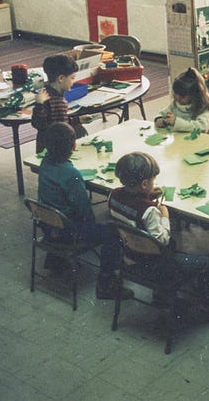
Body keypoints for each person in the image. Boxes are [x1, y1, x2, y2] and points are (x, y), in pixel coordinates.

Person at [108, 152, 209, 306]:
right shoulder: (149, 211)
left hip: (128, 255)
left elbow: (131, 209)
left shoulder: (113, 195)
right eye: (152, 180)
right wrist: (164, 214)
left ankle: (165, 293)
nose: (154, 182)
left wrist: (146, 196)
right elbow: (162, 240)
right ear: (144, 184)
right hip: (156, 265)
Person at [37, 122, 132, 300]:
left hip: (47, 225)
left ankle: (55, 260)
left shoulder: (45, 163)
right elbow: (84, 210)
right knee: (114, 232)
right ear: (74, 146)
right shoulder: (71, 175)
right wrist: (93, 227)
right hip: (67, 231)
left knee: (62, 213)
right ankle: (106, 283)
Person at [32, 54, 86, 153]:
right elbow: (38, 123)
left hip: (56, 144)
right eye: (72, 78)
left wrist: (78, 120)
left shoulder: (57, 94)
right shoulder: (49, 98)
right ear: (61, 78)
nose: (73, 82)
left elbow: (60, 121)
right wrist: (39, 104)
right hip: (52, 148)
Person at [154, 68, 209, 134]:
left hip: (203, 140)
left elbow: (202, 127)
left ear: (194, 96)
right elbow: (163, 113)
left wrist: (176, 122)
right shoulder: (176, 104)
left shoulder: (203, 107)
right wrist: (159, 119)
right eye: (176, 94)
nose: (178, 98)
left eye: (182, 96)